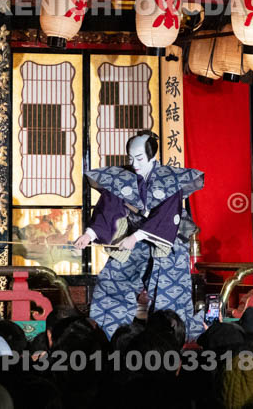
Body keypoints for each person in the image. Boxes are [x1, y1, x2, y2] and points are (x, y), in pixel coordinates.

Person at [73, 130, 204, 340]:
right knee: (112, 282)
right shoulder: (125, 178)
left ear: (152, 156)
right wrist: (89, 234)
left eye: (140, 158)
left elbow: (166, 215)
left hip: (166, 243)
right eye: (131, 158)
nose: (134, 163)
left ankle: (171, 343)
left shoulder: (169, 179)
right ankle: (107, 340)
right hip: (133, 243)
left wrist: (135, 237)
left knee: (170, 298)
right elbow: (108, 207)